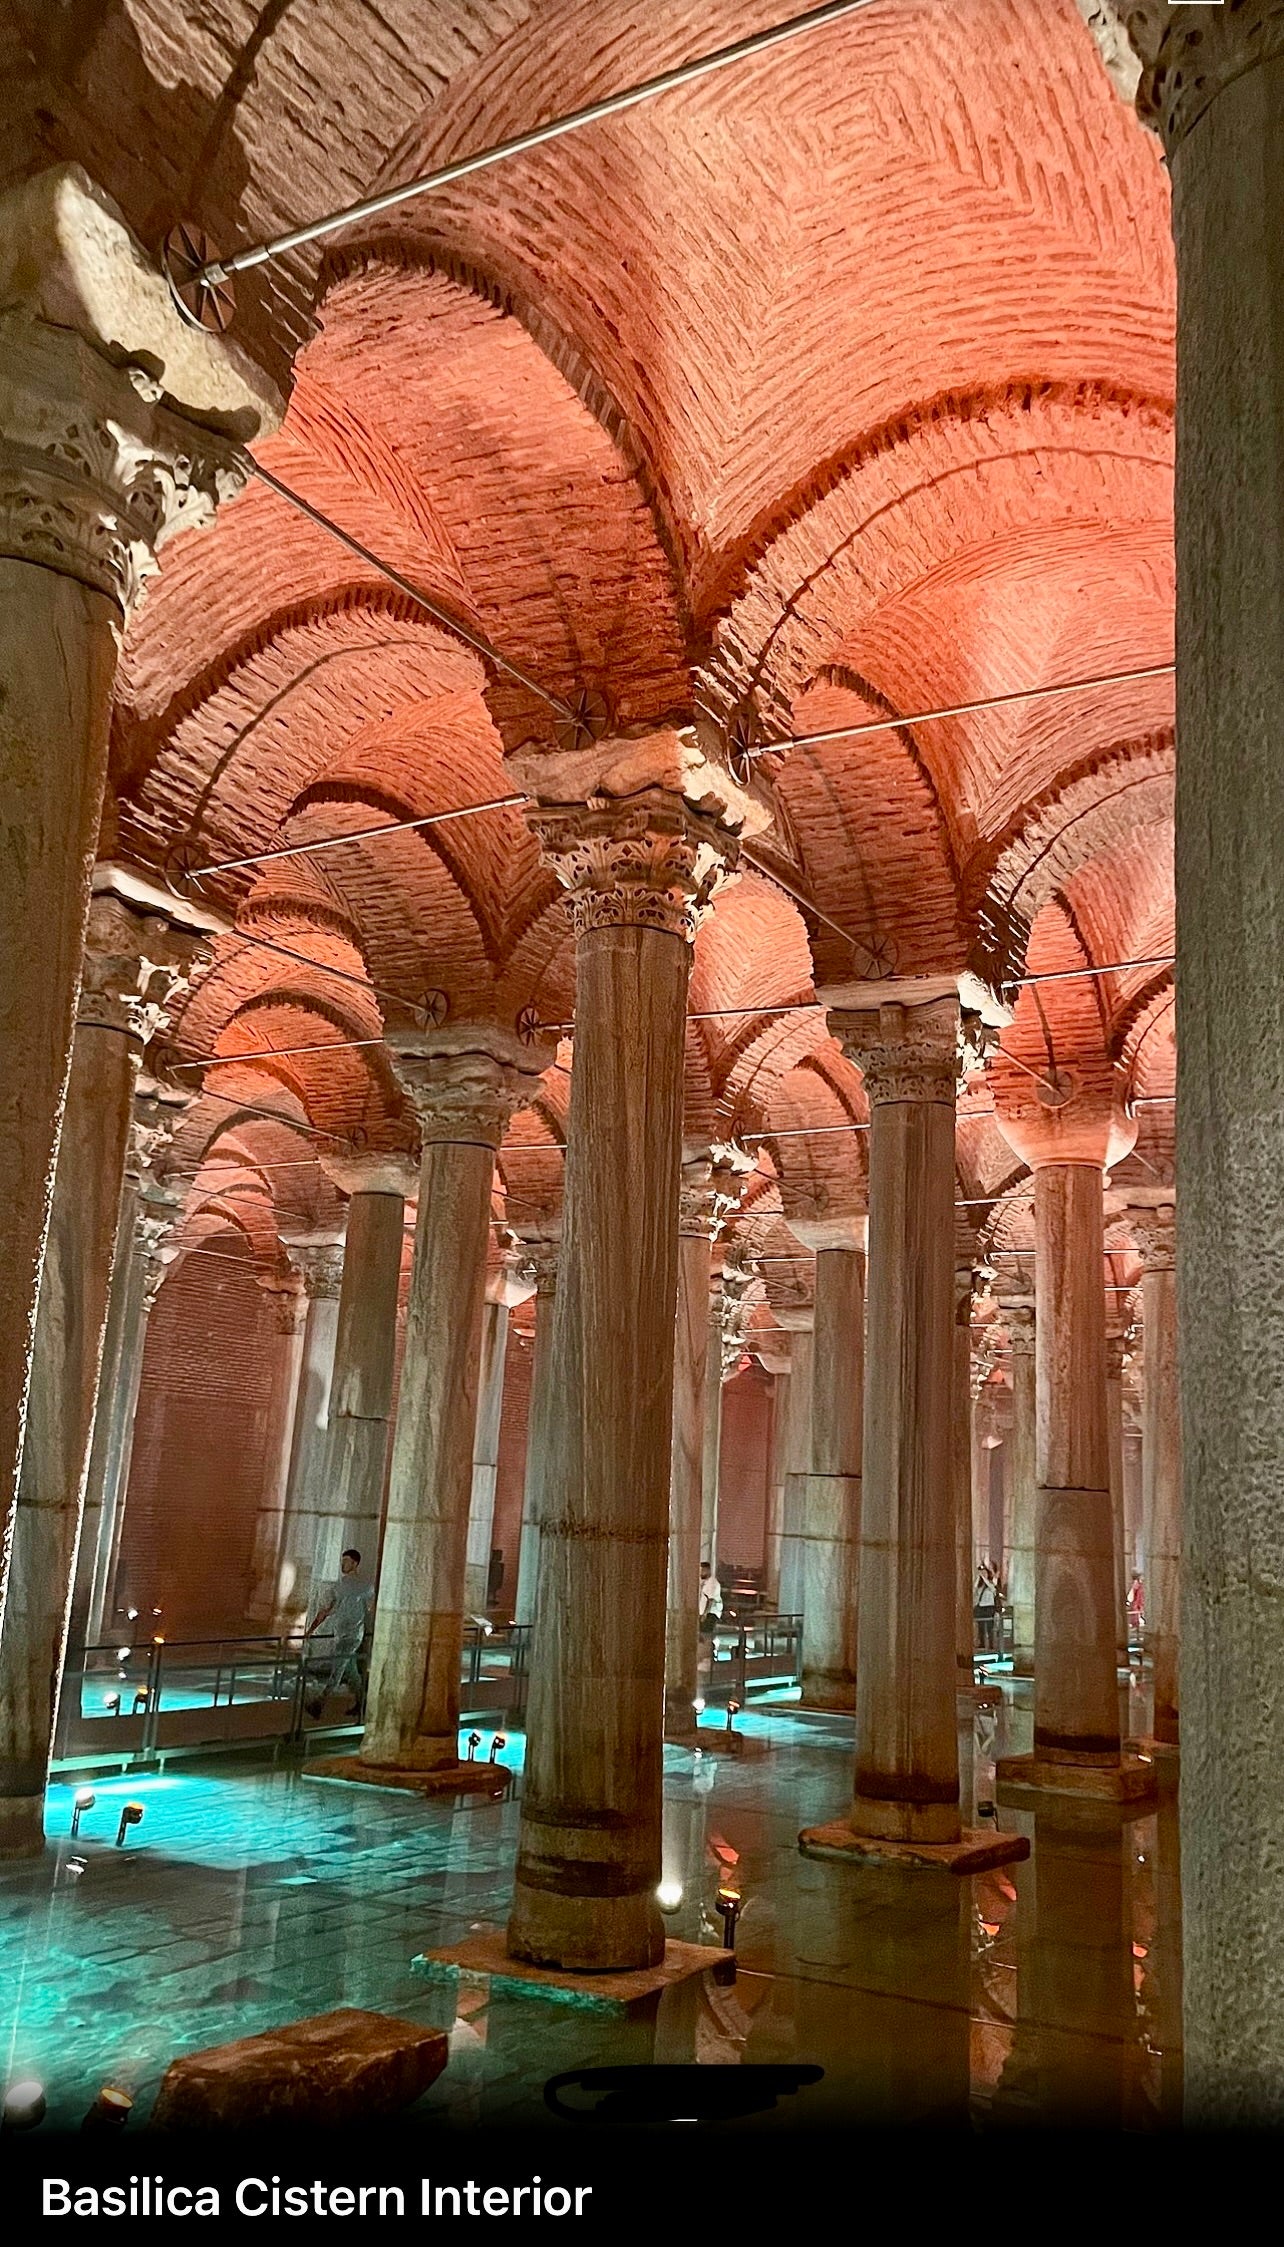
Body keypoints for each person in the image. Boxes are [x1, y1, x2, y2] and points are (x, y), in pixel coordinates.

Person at [304, 1548, 373, 1719]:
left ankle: (319, 1703)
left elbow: (330, 1610)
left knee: (337, 1670)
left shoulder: (359, 1586)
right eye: (342, 1561)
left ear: (355, 1563)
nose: (343, 1564)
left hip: (350, 1636)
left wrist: (311, 1630)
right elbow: (328, 1610)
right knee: (351, 1672)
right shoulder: (349, 1586)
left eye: (346, 1561)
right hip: (347, 1634)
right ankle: (362, 1704)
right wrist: (312, 1629)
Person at [973, 1562, 999, 1655]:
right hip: (981, 1607)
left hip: (989, 1607)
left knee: (989, 1626)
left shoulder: (992, 1583)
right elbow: (975, 1589)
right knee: (980, 1627)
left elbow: (993, 1589)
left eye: (985, 1572)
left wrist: (984, 1578)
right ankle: (982, 1644)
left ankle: (991, 1645)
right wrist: (978, 1578)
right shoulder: (980, 1585)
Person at [698, 1562, 723, 1638]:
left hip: (710, 1613)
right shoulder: (703, 1581)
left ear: (708, 1570)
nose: (701, 1573)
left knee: (705, 1634)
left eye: (702, 1570)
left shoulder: (712, 1583)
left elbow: (710, 1600)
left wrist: (705, 1614)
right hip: (703, 1612)